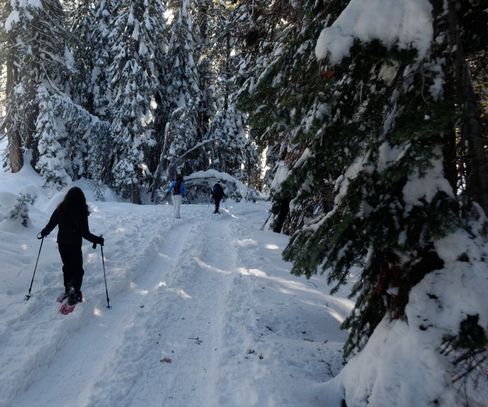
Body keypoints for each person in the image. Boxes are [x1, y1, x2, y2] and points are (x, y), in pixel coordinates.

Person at [40, 187, 104, 305]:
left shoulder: (60, 209)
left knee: (67, 266)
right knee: (78, 269)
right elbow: (85, 233)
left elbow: (51, 225)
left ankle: (68, 289)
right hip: (74, 244)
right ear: (81, 199)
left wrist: (44, 233)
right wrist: (98, 240)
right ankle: (74, 290)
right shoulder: (81, 212)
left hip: (62, 244)